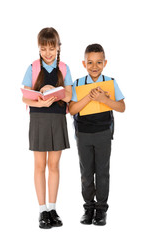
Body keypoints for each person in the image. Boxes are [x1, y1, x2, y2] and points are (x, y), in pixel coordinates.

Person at [22, 27, 73, 229]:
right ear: (39, 48)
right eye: (43, 48)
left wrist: (53, 90)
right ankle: (42, 210)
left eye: (52, 48)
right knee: (39, 166)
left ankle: (52, 208)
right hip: (38, 118)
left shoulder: (64, 68)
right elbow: (25, 96)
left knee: (54, 166)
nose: (48, 53)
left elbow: (69, 96)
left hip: (58, 118)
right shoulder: (33, 67)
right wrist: (40, 101)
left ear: (58, 47)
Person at [69, 44, 125, 226]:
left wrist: (104, 99)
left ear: (105, 63)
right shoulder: (77, 83)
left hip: (103, 133)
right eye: (90, 62)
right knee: (86, 173)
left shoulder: (110, 81)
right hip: (83, 134)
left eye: (99, 62)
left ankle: (101, 209)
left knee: (102, 172)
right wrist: (89, 98)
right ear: (84, 63)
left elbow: (122, 107)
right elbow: (71, 110)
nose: (94, 66)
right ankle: (88, 207)